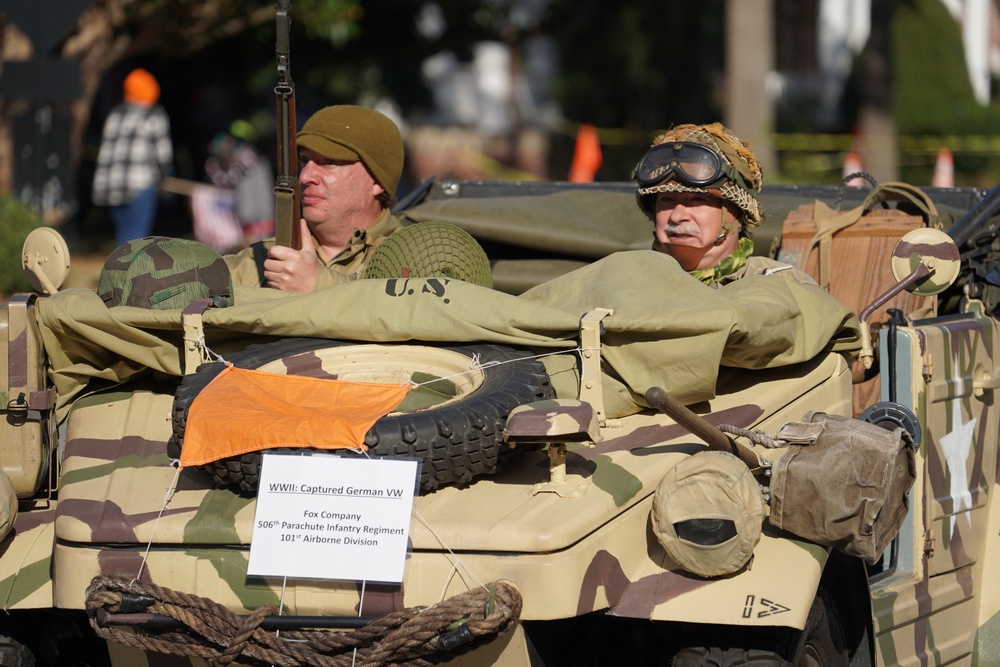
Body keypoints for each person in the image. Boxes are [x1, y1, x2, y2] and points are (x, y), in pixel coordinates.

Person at [225, 105, 405, 293]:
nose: (305, 176)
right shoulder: (268, 256)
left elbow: (402, 312)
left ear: (377, 181)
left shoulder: (414, 256)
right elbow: (201, 280)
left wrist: (315, 284)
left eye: (327, 162)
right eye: (304, 161)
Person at [632, 122, 815, 287]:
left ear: (738, 211)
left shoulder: (786, 289)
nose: (677, 216)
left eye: (697, 200)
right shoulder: (624, 282)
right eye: (667, 200)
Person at [92, 68, 174, 245]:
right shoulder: (153, 114)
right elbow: (163, 155)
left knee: (123, 240)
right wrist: (165, 177)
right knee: (137, 241)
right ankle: (133, 273)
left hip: (111, 187)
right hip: (139, 186)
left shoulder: (115, 115)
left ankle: (120, 271)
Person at [204, 120, 275, 244]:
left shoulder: (249, 158)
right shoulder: (252, 160)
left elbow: (230, 178)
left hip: (258, 218)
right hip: (252, 217)